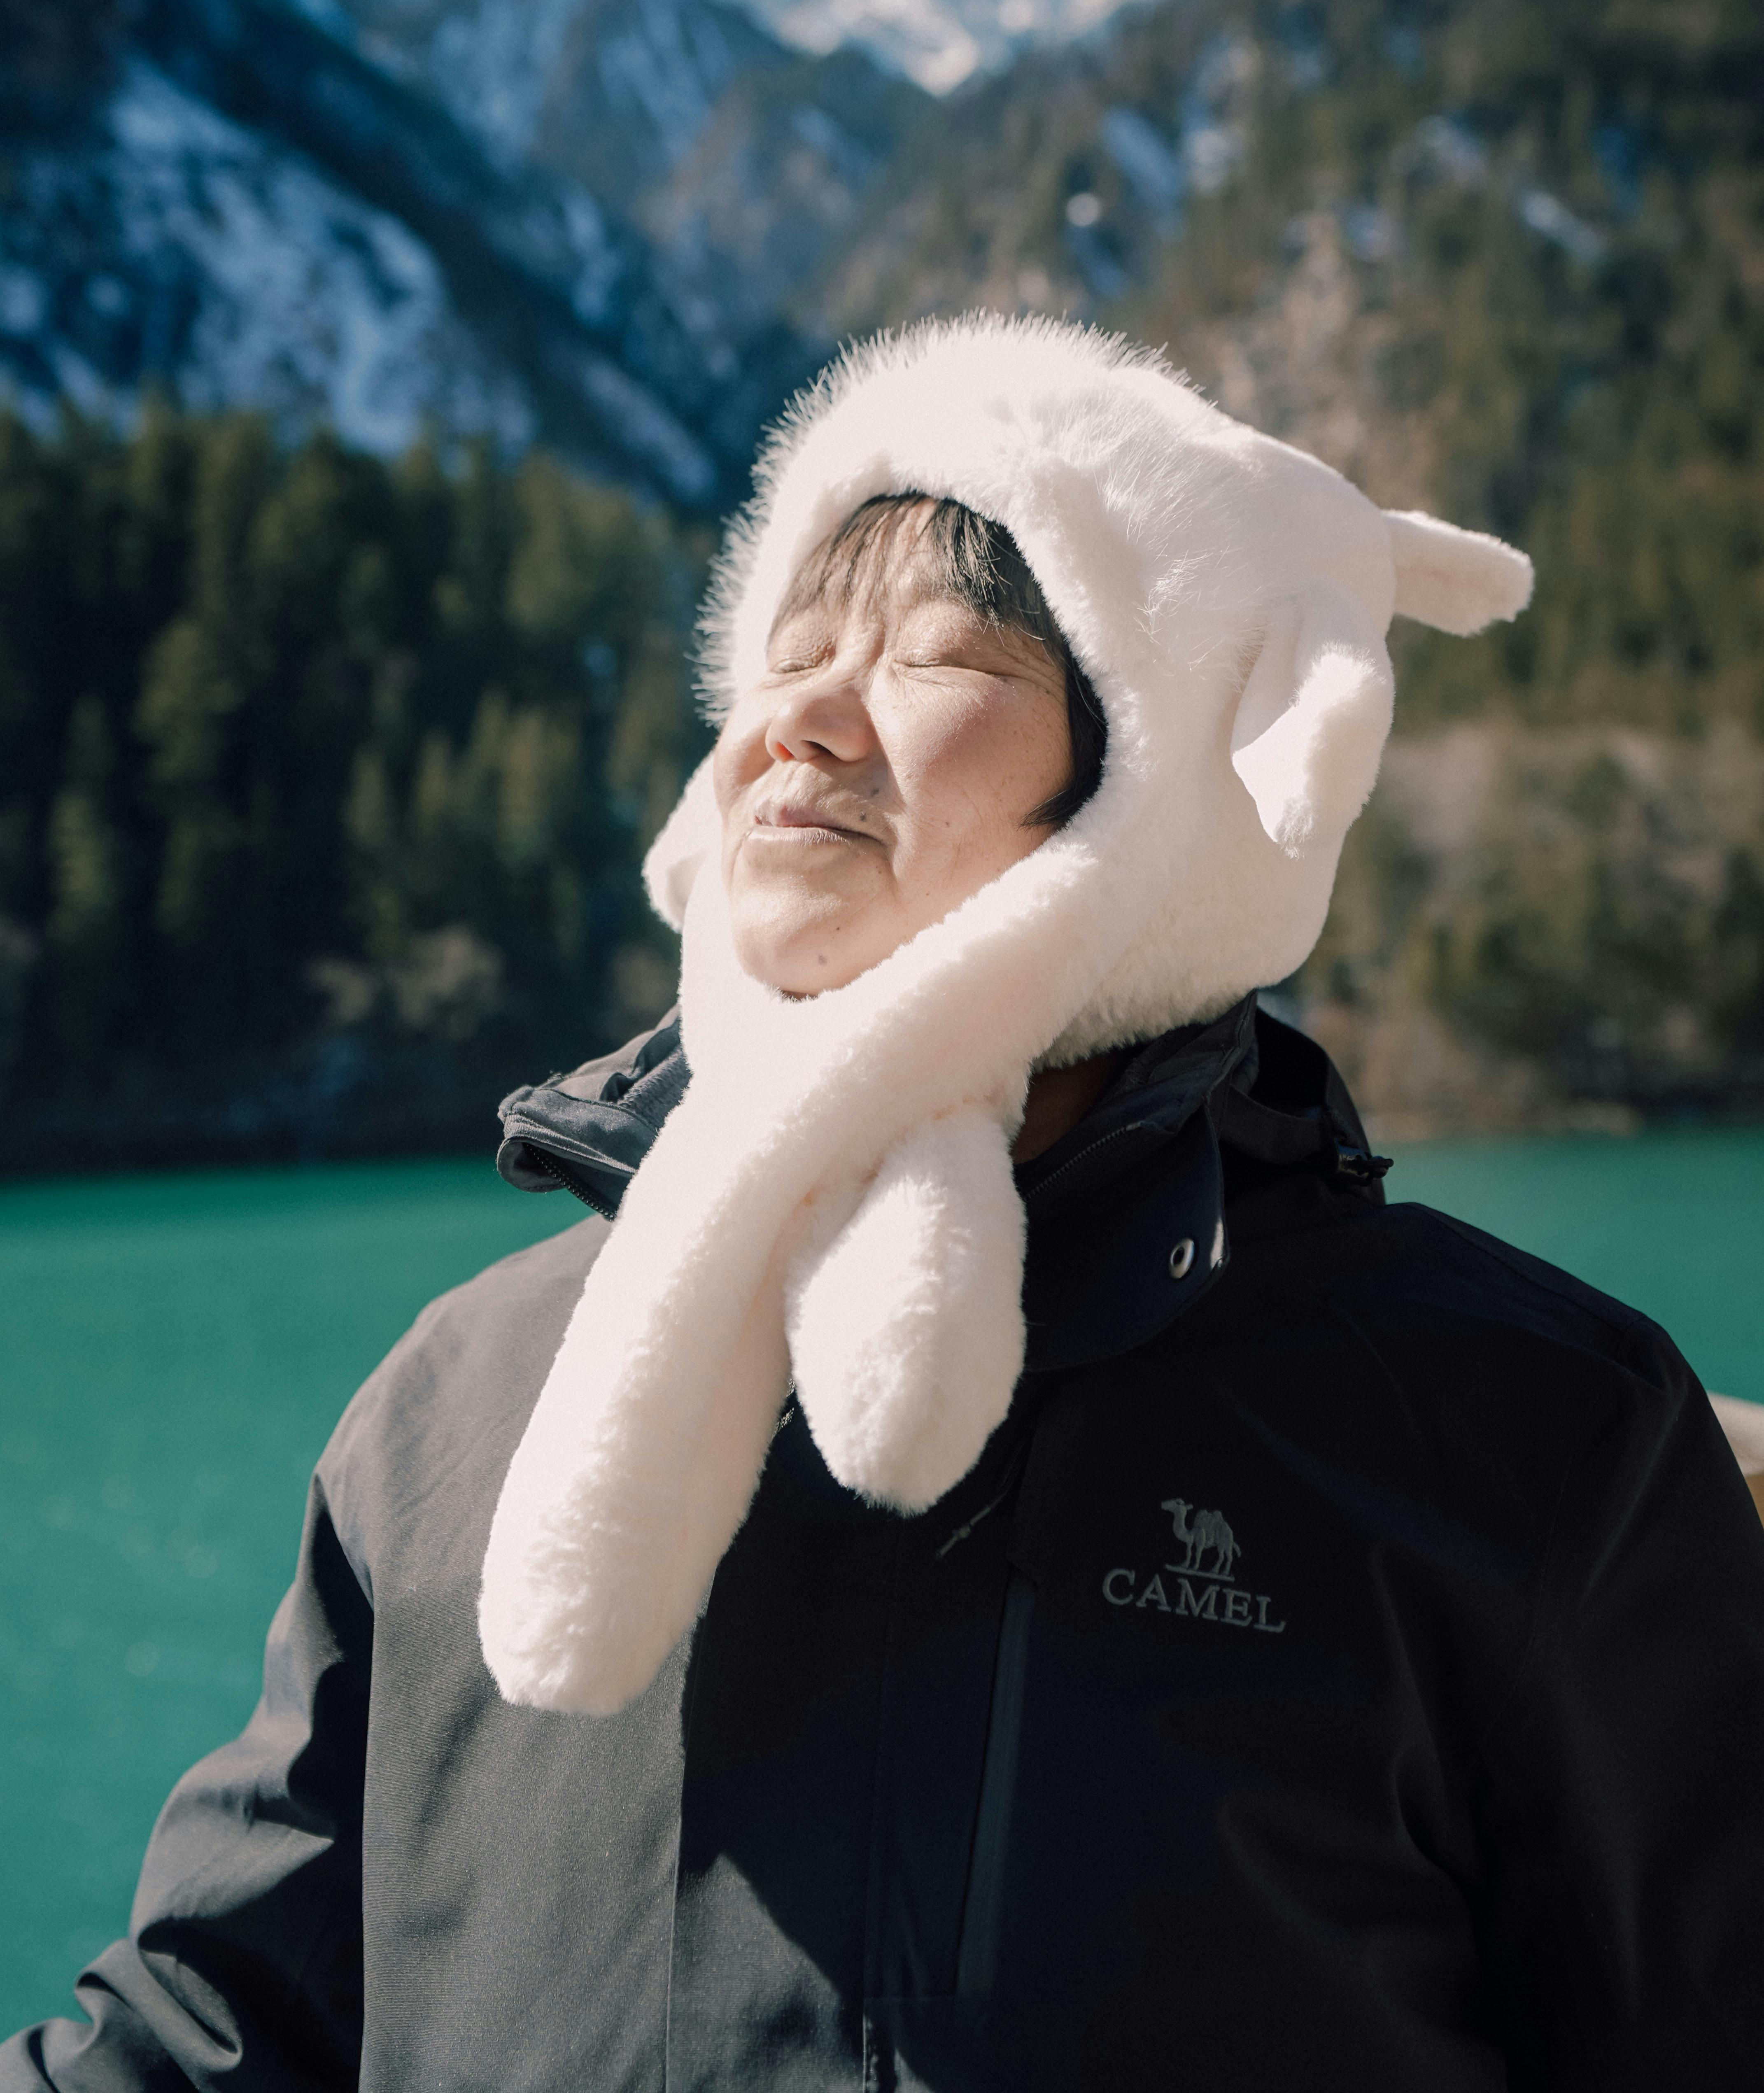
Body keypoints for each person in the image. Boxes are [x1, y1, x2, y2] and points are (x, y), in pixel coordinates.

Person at [7, 317, 1762, 2091]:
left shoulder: (1523, 1440)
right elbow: (214, 2033)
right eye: (789, 651)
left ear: (1159, 779)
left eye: (940, 660)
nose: (804, 723)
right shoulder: (459, 1409)